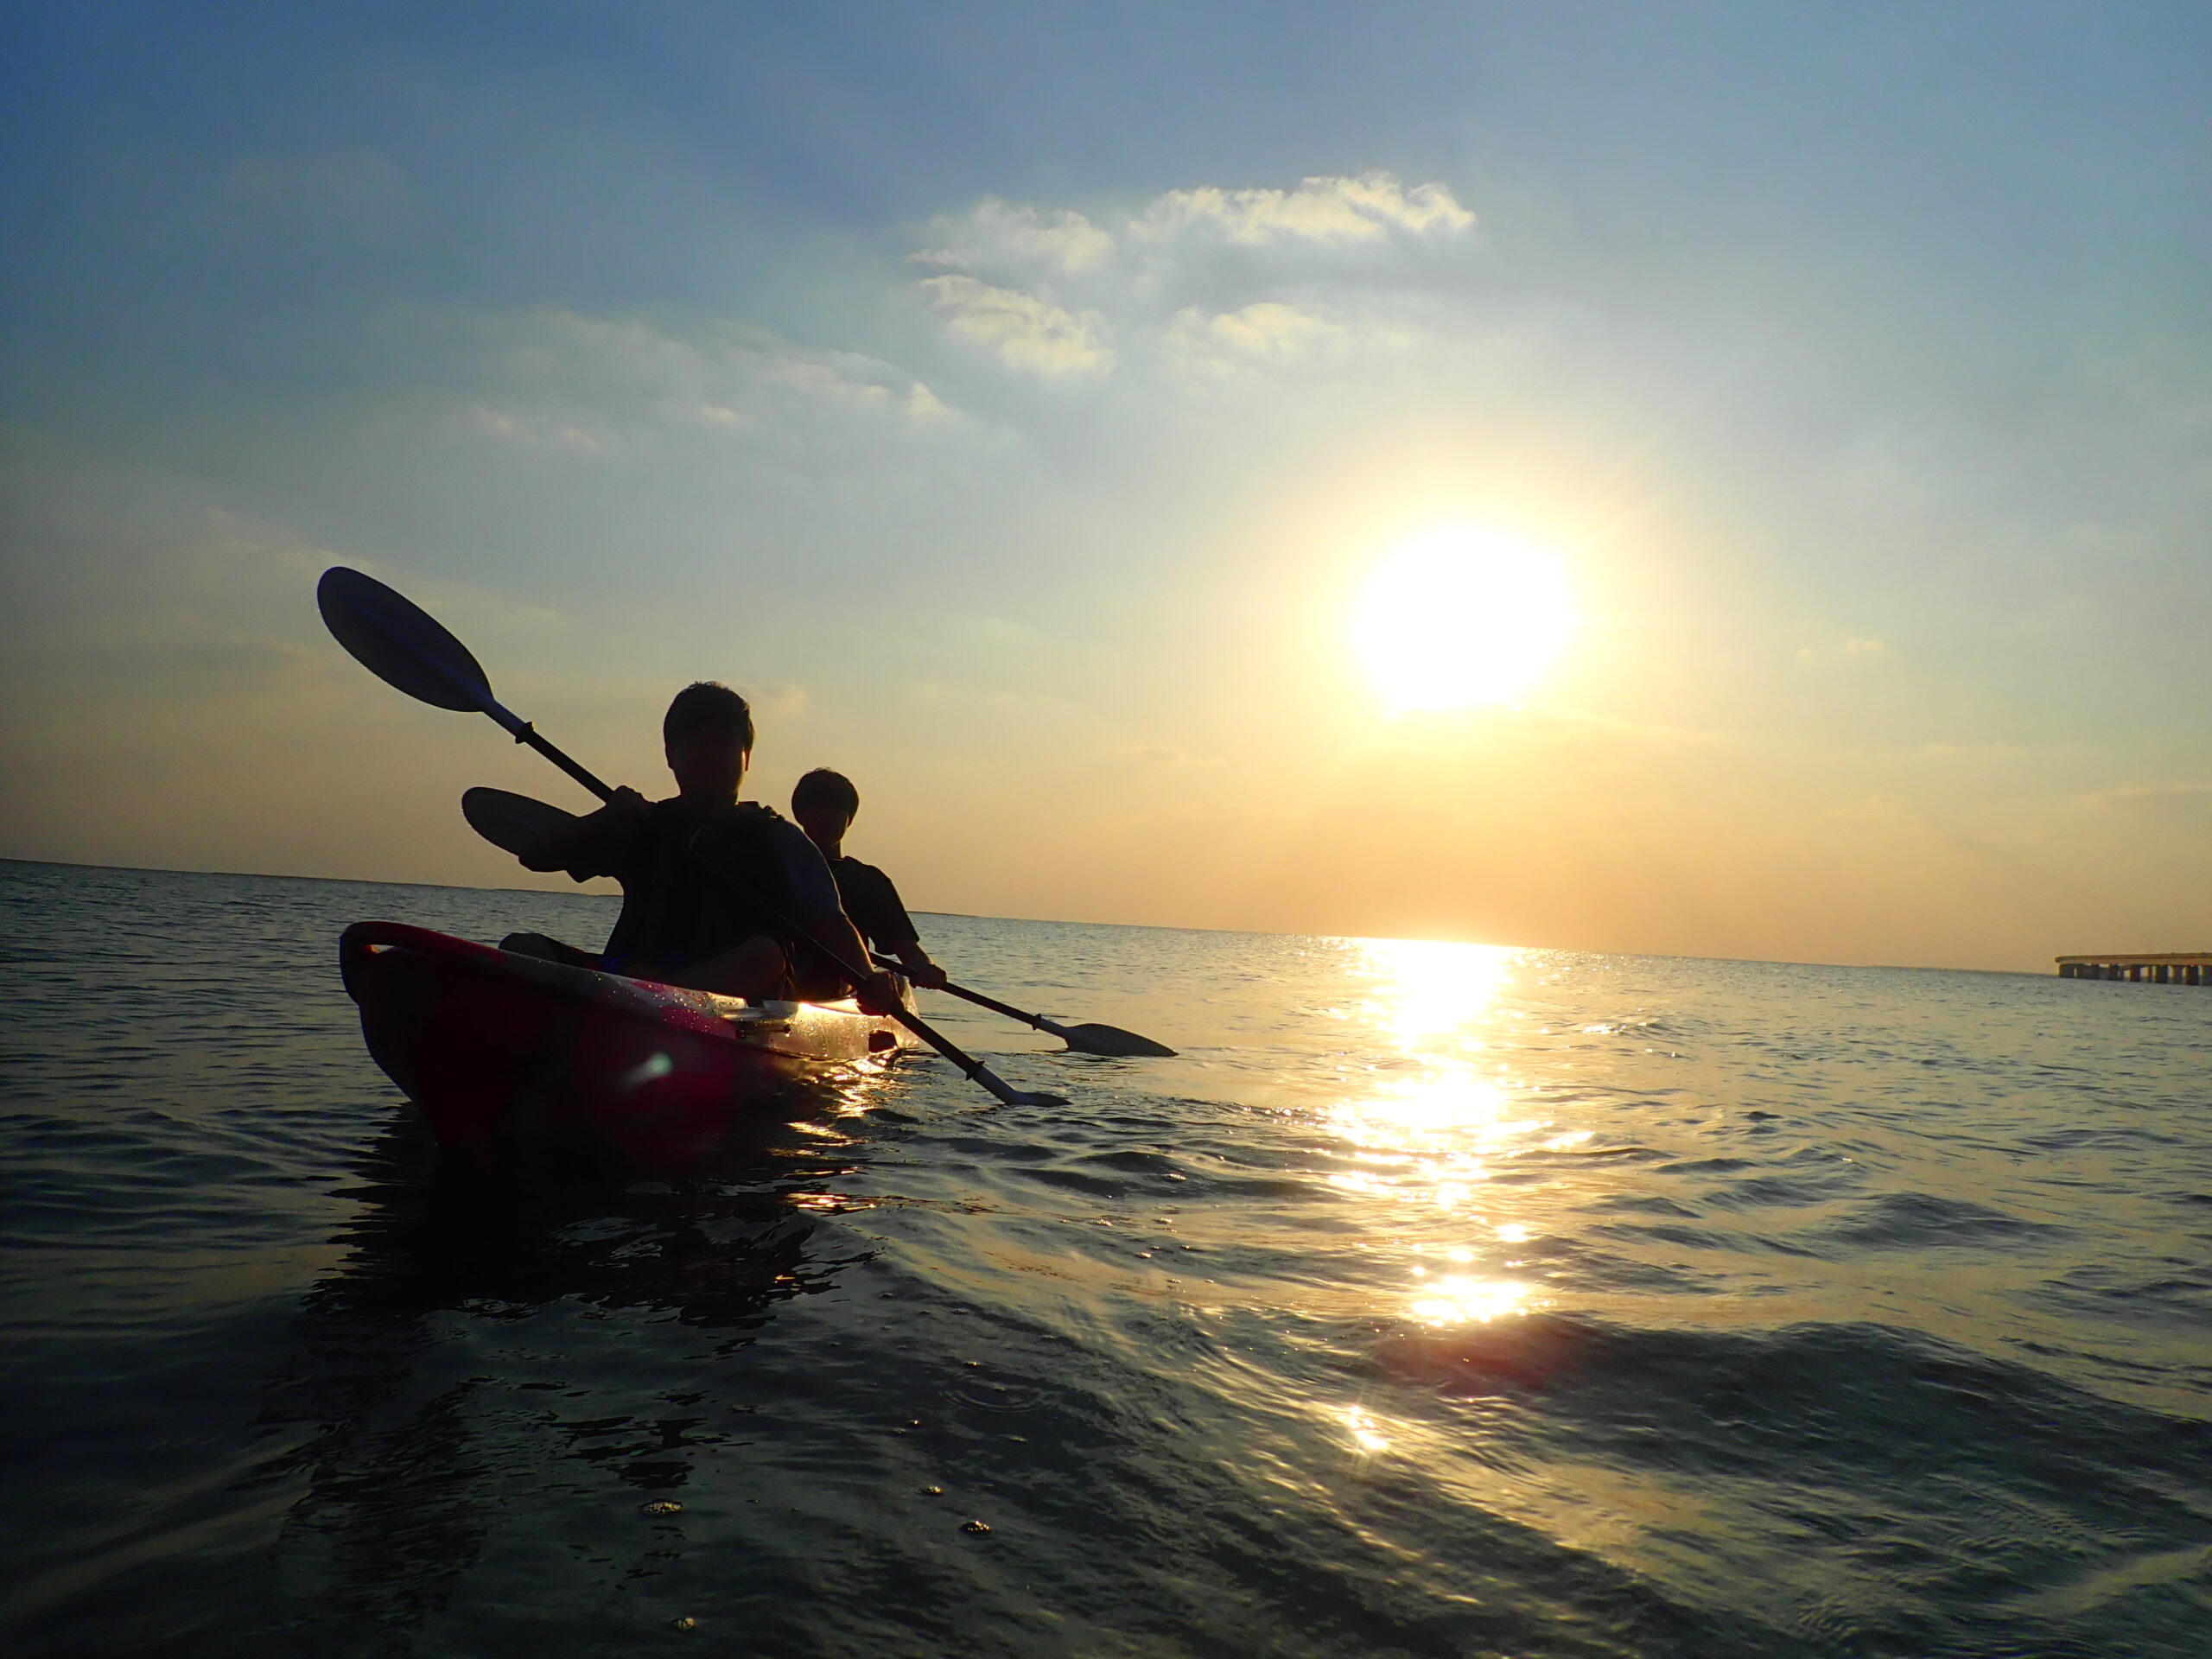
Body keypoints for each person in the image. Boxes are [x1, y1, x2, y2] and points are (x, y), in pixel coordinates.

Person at [513, 683, 896, 1010]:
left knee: (765, 954)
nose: (710, 757)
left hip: (732, 999)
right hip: (631, 982)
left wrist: (868, 979)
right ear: (670, 757)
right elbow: (535, 856)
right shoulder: (641, 823)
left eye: (724, 746)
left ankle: (657, 1006)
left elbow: (830, 922)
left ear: (746, 759)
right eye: (695, 745)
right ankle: (644, 1004)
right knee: (523, 946)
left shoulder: (779, 838)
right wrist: (606, 817)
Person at [789, 768, 950, 995]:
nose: (827, 816)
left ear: (850, 819)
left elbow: (907, 950)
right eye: (818, 807)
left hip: (843, 986)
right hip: (785, 981)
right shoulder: (779, 868)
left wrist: (925, 968)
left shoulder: (867, 880)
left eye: (836, 809)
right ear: (800, 815)